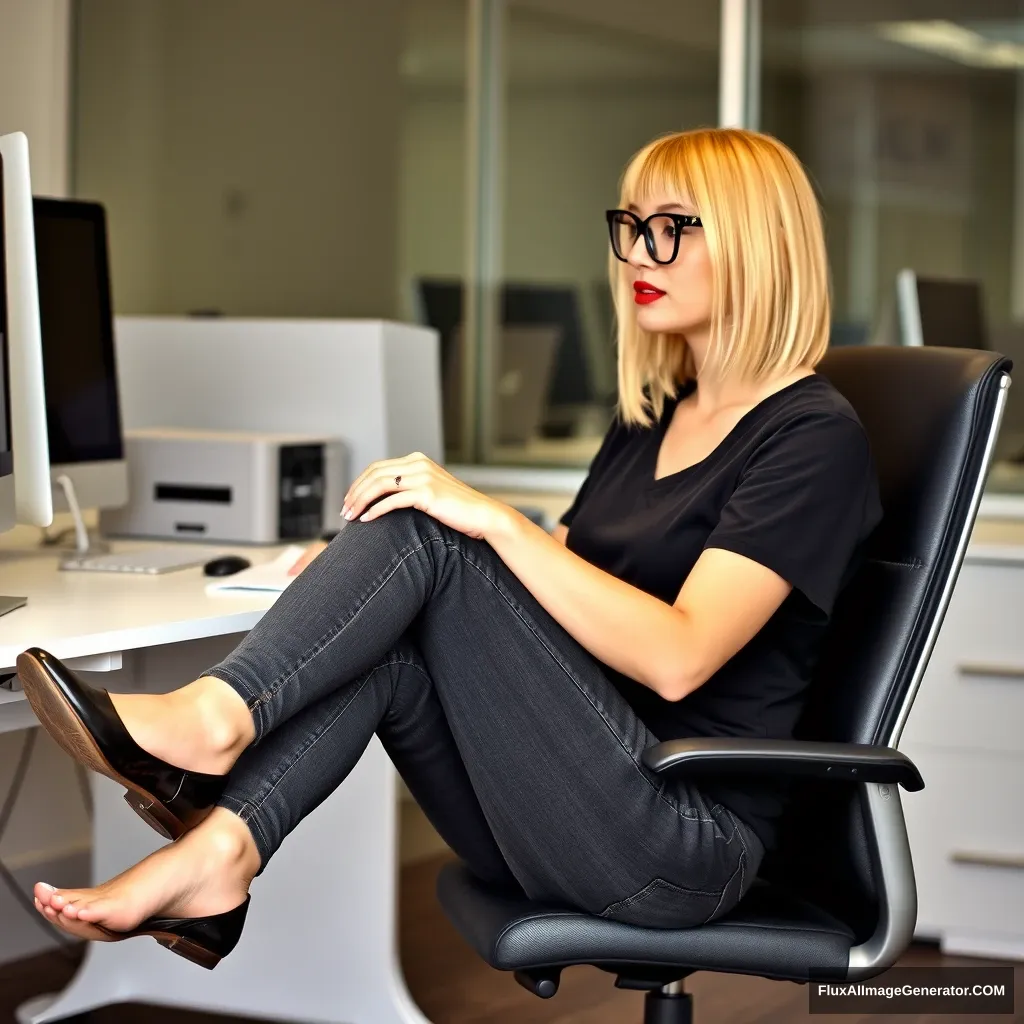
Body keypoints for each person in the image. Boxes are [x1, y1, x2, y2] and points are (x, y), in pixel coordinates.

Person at [18, 126, 882, 968]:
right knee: (399, 621)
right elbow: (548, 590)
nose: (638, 257)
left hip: (681, 843)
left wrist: (486, 518)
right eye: (628, 227)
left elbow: (680, 658)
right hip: (565, 804)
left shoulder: (811, 437)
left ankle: (212, 722)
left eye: (672, 228)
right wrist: (357, 588)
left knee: (434, 525)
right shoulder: (654, 415)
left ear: (759, 244)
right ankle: (222, 856)